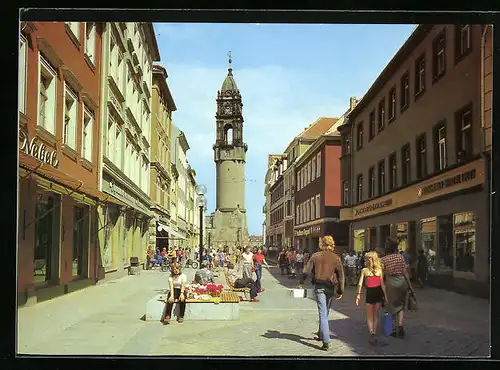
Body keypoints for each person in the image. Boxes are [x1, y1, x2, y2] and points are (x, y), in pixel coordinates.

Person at [298, 236, 345, 351]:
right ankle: (321, 333)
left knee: (322, 312)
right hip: (330, 287)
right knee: (326, 311)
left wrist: (301, 281)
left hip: (319, 286)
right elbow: (341, 276)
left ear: (322, 244)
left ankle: (325, 340)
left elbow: (306, 271)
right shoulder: (336, 258)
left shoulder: (315, 256)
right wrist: (340, 290)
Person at [381, 239, 413, 338]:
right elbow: (405, 272)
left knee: (391, 306)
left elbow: (381, 275)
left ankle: (393, 329)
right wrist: (409, 285)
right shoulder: (400, 257)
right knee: (400, 305)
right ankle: (400, 325)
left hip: (390, 282)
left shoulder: (384, 259)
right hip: (402, 281)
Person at [355, 251, 388, 345]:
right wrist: (385, 296)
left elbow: (360, 283)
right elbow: (382, 284)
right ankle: (374, 331)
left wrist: (358, 294)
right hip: (378, 292)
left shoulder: (365, 270)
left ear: (370, 259)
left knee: (370, 315)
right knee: (376, 314)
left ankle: (371, 332)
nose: (365, 260)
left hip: (370, 293)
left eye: (366, 258)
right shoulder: (379, 270)